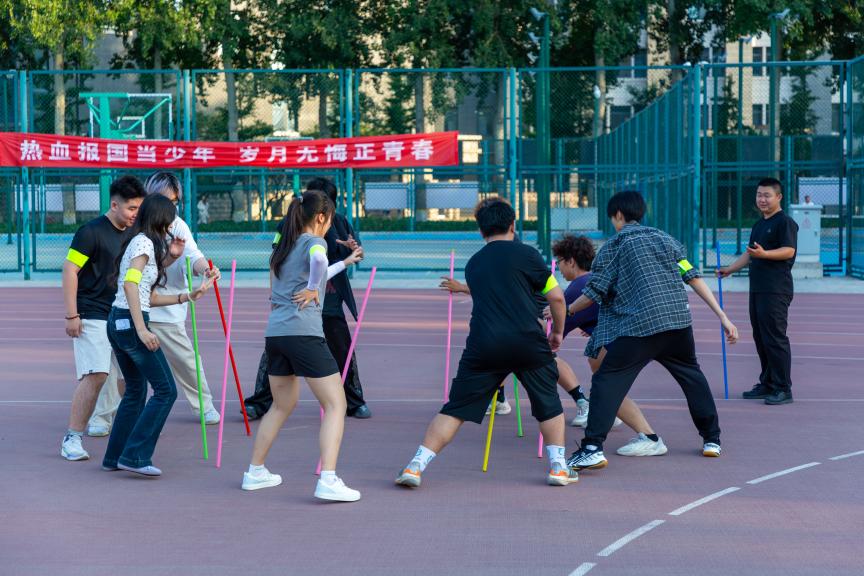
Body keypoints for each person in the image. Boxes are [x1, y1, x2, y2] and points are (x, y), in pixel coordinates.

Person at [396, 197, 577, 489]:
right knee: (548, 402)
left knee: (455, 408)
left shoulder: (474, 264)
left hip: (484, 343)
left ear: (481, 231)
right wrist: (557, 331)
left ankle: (415, 465)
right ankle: (558, 467)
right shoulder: (528, 255)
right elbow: (556, 297)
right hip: (527, 341)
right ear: (513, 225)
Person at [565, 191, 738, 472]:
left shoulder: (614, 246)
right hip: (677, 323)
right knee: (692, 377)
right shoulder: (665, 239)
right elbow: (692, 277)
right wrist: (723, 316)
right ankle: (712, 439)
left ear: (617, 215)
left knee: (606, 380)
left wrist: (568, 310)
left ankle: (592, 448)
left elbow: (594, 292)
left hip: (640, 327)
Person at [241, 189, 364, 502]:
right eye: (330, 220)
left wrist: (344, 263)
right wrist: (311, 288)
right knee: (336, 404)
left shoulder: (286, 246)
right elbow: (319, 261)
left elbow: (319, 272)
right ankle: (329, 479)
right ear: (321, 217)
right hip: (304, 333)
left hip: (276, 334)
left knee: (281, 405)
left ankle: (255, 471)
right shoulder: (314, 242)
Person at [89, 172, 223, 432]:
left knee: (185, 362)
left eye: (174, 201)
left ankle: (203, 405)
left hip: (163, 309)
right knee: (120, 370)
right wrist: (140, 327)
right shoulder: (137, 229)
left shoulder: (176, 226)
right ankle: (103, 418)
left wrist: (204, 270)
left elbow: (190, 256)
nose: (169, 206)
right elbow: (131, 281)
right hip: (133, 312)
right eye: (164, 199)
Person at [102, 194, 215, 476]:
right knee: (166, 390)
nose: (171, 228)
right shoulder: (143, 243)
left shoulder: (143, 244)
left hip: (119, 321)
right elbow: (130, 286)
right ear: (159, 220)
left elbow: (147, 295)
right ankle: (135, 455)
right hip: (130, 324)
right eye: (168, 222)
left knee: (136, 391)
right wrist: (142, 329)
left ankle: (115, 456)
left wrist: (186, 295)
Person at [243, 178, 371, 419]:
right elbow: (276, 259)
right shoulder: (289, 225)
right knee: (278, 351)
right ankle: (260, 402)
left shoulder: (339, 222)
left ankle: (353, 400)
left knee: (341, 347)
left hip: (329, 296)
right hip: (296, 299)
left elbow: (356, 254)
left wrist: (351, 249)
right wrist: (275, 294)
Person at [60, 175, 146, 461]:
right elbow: (70, 270)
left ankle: (130, 429)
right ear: (114, 204)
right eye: (131, 208)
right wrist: (71, 314)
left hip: (121, 313)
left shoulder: (134, 235)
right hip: (92, 312)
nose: (135, 214)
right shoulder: (90, 232)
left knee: (131, 375)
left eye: (139, 208)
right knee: (96, 374)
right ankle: (72, 438)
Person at [719, 178, 797, 405]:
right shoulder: (759, 224)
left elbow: (789, 250)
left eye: (767, 195)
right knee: (761, 337)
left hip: (776, 290)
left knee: (775, 338)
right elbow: (750, 253)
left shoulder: (785, 222)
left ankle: (783, 388)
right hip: (758, 289)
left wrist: (765, 254)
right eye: (759, 195)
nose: (762, 199)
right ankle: (768, 383)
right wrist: (730, 269)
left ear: (778, 197)